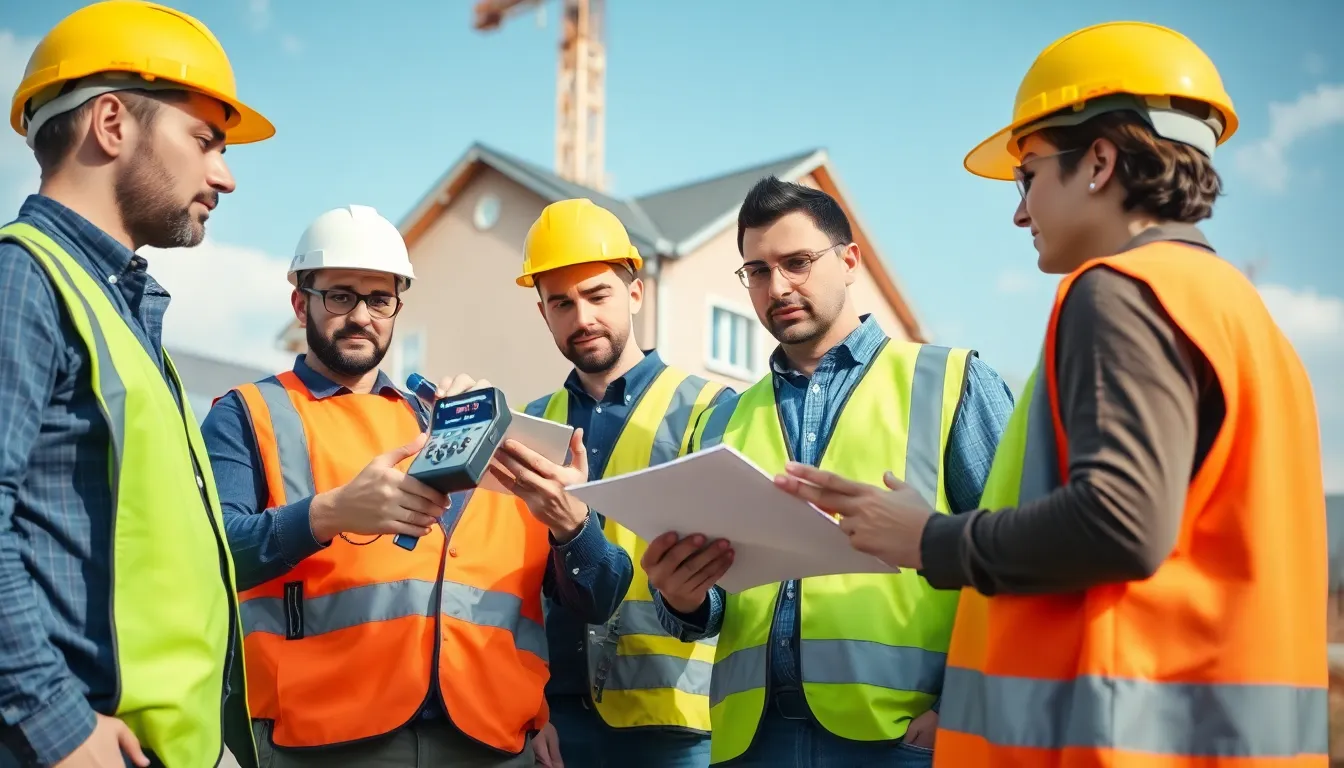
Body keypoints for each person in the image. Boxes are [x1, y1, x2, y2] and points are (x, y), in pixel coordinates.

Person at [774, 21, 1330, 767]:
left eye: (1028, 175)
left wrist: (930, 540)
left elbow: (1121, 523)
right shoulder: (1240, 314)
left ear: (1099, 160)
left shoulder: (1118, 291)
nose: (1019, 210)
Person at [200, 205, 609, 767]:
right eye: (340, 296)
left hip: (489, 740)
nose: (360, 316)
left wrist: (573, 523)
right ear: (300, 303)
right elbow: (209, 555)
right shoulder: (249, 413)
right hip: (323, 738)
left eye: (379, 300)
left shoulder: (447, 420)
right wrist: (327, 514)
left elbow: (587, 592)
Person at [642, 177, 1016, 767]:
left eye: (797, 262)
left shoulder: (949, 382)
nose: (777, 287)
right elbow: (710, 606)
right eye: (757, 271)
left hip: (903, 740)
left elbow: (1014, 559)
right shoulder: (722, 421)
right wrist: (681, 596)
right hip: (751, 743)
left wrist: (960, 707)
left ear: (849, 262)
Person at [0, 2, 274, 766]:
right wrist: (57, 723)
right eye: (205, 140)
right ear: (112, 123)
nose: (224, 175)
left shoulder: (123, 309)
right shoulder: (22, 280)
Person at [511, 198, 734, 767]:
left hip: (672, 726)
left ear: (635, 293)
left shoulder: (707, 409)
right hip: (557, 723)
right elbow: (516, 585)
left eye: (597, 295)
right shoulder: (531, 423)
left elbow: (731, 576)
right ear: (542, 313)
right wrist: (529, 707)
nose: (581, 317)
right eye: (561, 303)